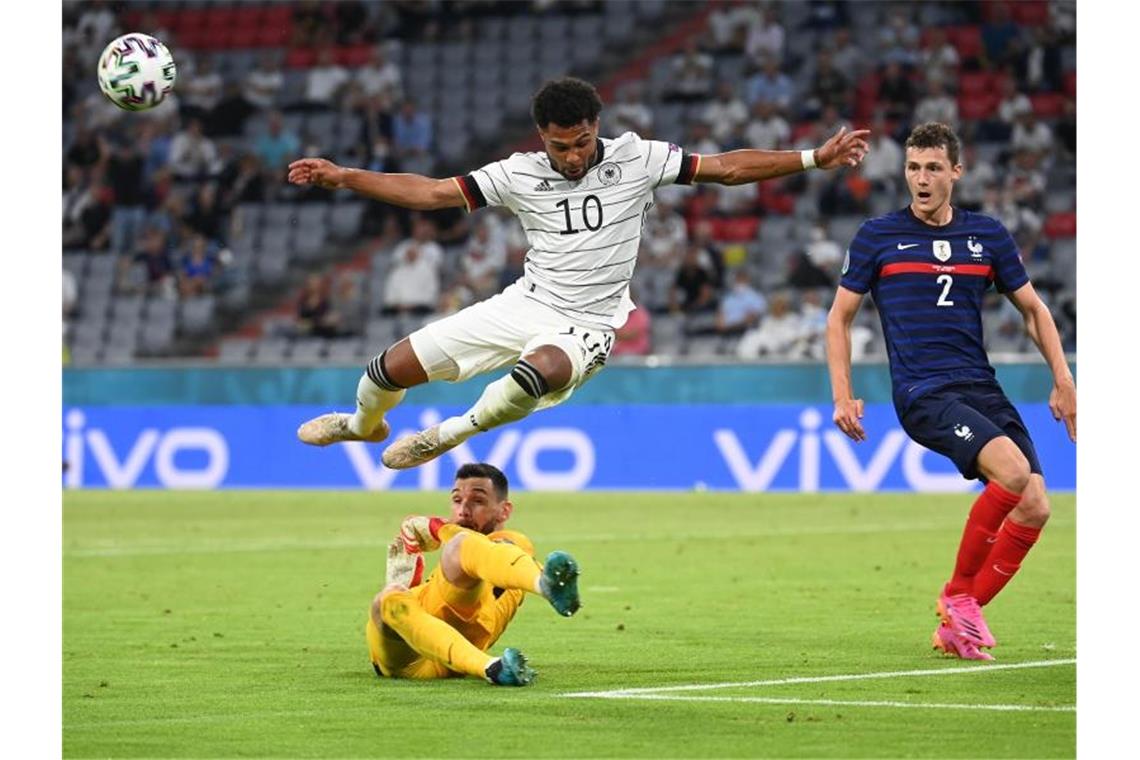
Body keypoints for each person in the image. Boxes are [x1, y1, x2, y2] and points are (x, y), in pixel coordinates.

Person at [289, 77, 868, 469]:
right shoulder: (517, 173)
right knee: (387, 370)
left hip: (587, 324)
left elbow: (726, 169)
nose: (572, 156)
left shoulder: (638, 158)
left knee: (532, 375)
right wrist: (346, 177)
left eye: (582, 141)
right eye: (560, 146)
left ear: (598, 125)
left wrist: (814, 157)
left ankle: (448, 435)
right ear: (542, 137)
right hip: (525, 301)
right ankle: (363, 424)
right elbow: (434, 192)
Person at [825, 122, 1076, 661]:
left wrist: (1064, 379)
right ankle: (958, 595)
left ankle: (958, 623)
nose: (921, 178)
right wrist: (842, 395)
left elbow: (1033, 309)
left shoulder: (986, 235)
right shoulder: (877, 236)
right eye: (914, 167)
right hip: (923, 391)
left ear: (956, 172)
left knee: (1034, 504)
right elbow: (839, 319)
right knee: (1012, 472)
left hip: (979, 387)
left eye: (933, 167)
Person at [366, 463, 580, 686]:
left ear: (504, 510)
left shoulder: (512, 548)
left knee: (461, 546)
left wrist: (440, 528)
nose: (463, 510)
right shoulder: (475, 550)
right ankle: (494, 667)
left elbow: (481, 547)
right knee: (387, 600)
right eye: (457, 500)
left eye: (478, 501)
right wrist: (403, 586)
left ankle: (543, 587)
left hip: (458, 641)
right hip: (406, 655)